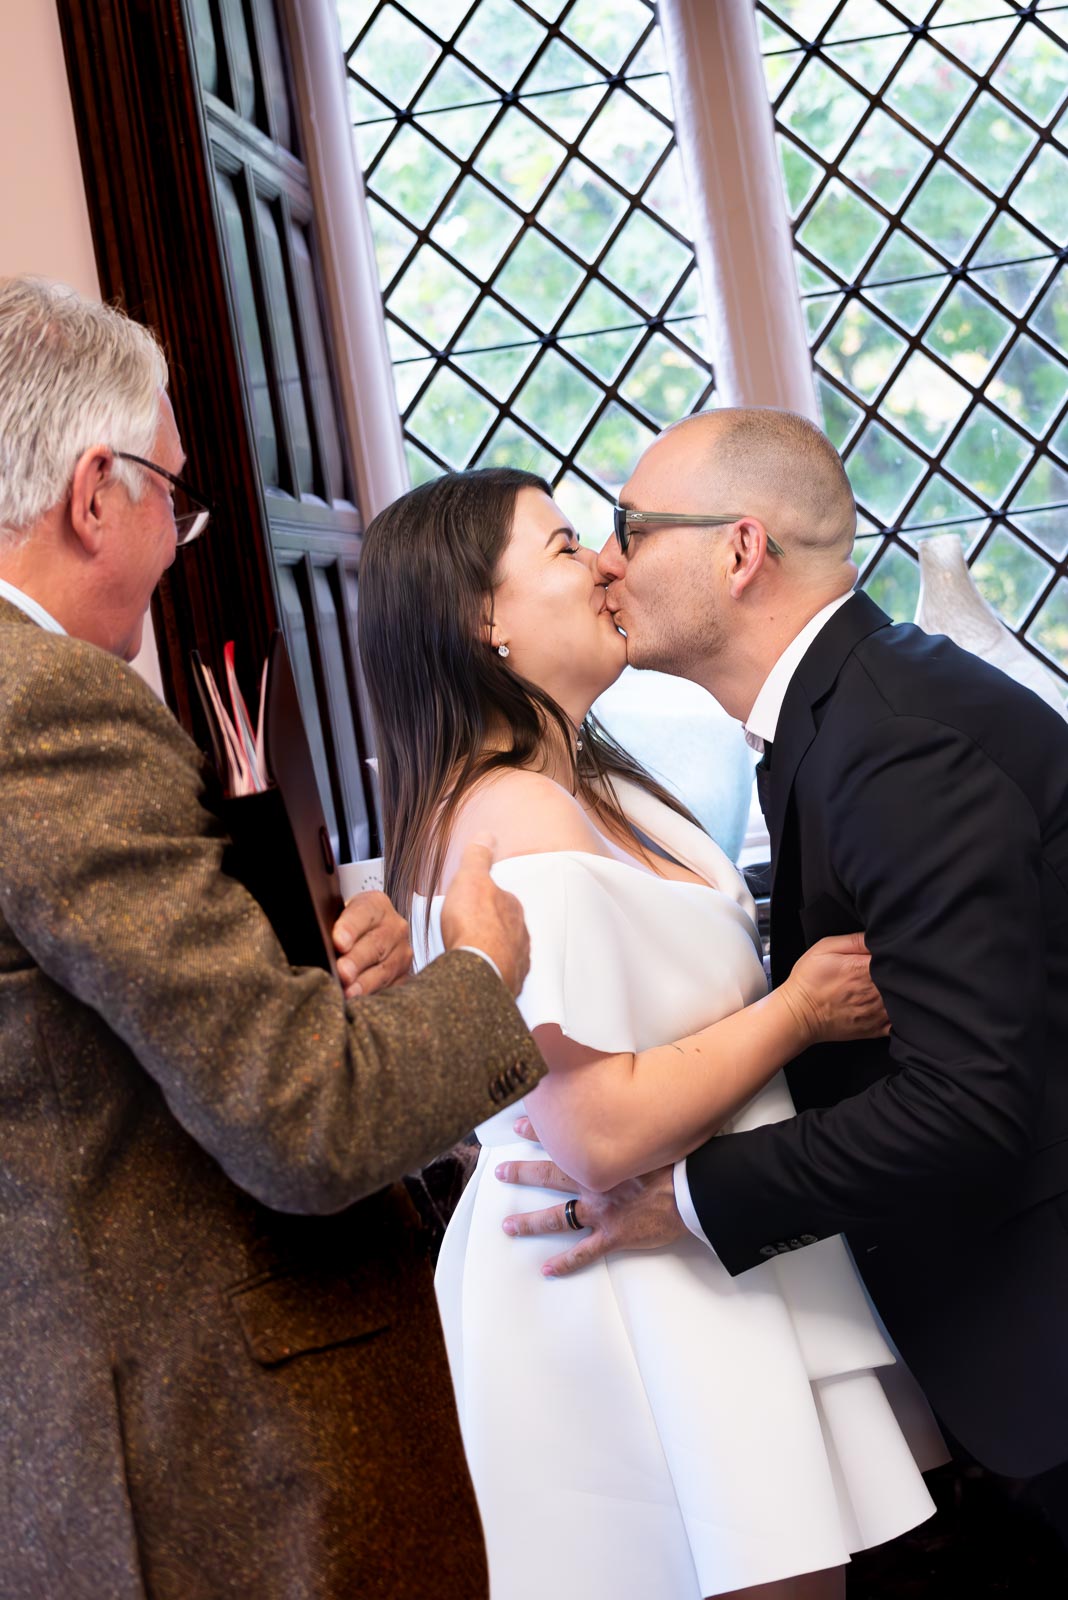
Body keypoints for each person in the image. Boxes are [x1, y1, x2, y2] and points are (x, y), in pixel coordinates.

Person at [0, 276, 544, 1600]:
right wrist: (480, 972)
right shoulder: (51, 712)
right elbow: (301, 1121)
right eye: (171, 498)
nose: (179, 538)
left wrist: (322, 978)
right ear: (94, 493)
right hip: (213, 1460)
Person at [357, 465, 943, 1600]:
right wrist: (800, 1011)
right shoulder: (510, 815)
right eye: (567, 545)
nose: (606, 564)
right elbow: (595, 1127)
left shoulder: (594, 784)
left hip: (691, 1254)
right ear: (484, 618)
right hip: (618, 1288)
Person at [499, 407, 1068, 1550]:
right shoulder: (840, 712)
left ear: (740, 550)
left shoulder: (893, 742)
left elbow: (968, 1103)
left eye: (629, 527)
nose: (609, 559)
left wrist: (694, 1199)